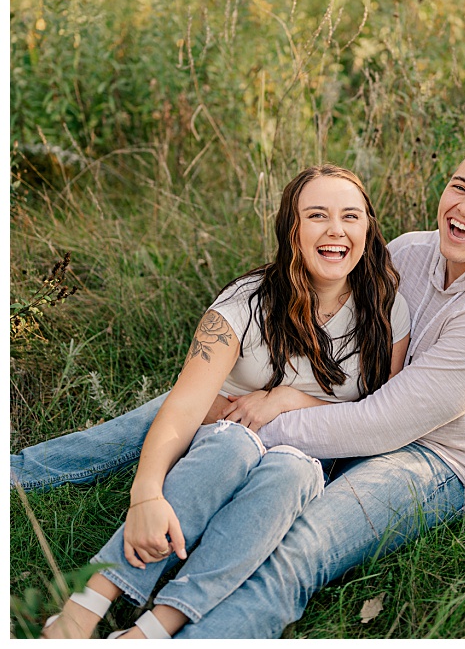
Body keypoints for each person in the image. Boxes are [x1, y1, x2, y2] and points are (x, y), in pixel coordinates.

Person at [14, 141, 465, 638]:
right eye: (460, 187)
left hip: (438, 457)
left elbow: (377, 421)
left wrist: (263, 412)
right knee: (193, 410)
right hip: (361, 415)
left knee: (297, 546)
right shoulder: (408, 252)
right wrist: (232, 414)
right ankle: (21, 478)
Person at [39, 164, 410, 639]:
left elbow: (381, 413)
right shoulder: (245, 303)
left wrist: (286, 398)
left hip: (309, 463)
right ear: (291, 229)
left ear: (368, 228)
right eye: (317, 215)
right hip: (224, 440)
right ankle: (81, 611)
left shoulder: (385, 307)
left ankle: (149, 630)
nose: (336, 230)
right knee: (234, 445)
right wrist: (146, 494)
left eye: (351, 217)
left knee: (292, 468)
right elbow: (183, 407)